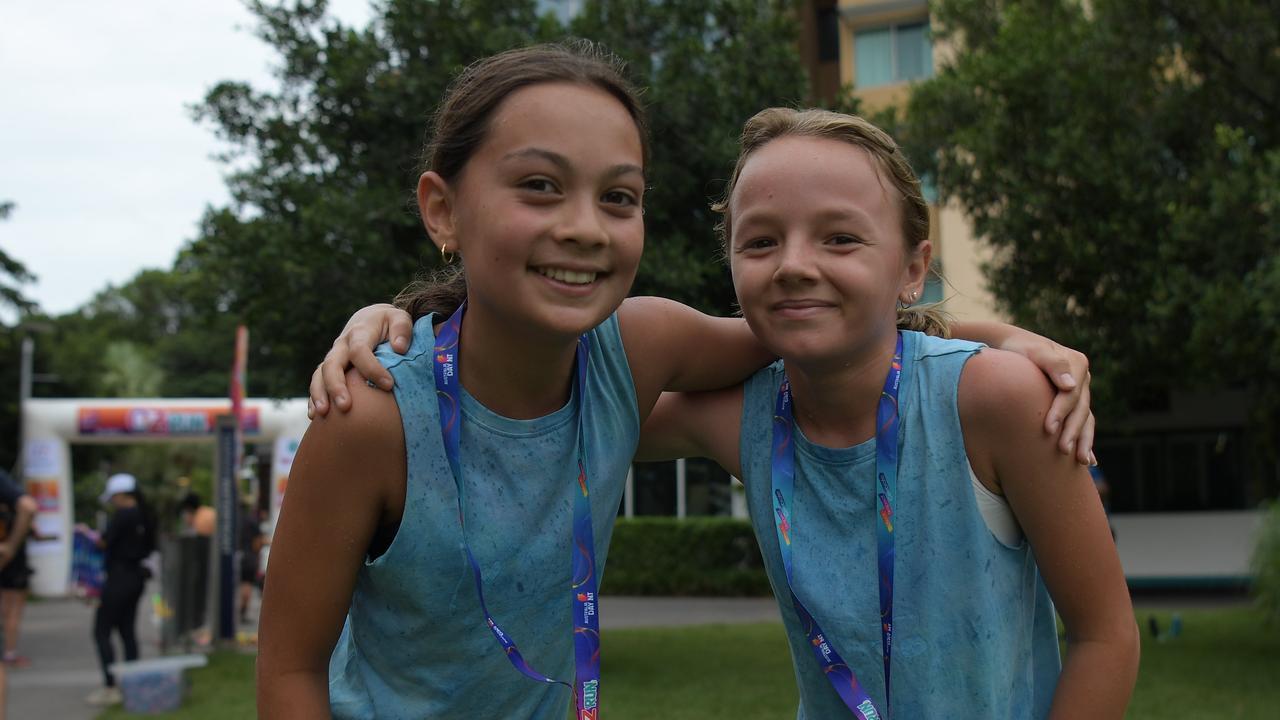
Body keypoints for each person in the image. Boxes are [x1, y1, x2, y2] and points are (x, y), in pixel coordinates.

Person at [268, 42, 1095, 720]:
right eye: (539, 186)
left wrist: (1001, 337)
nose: (582, 227)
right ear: (442, 210)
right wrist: (387, 313)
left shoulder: (638, 351)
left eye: (618, 196)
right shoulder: (368, 416)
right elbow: (289, 672)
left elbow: (824, 327)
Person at [632, 108, 1138, 716]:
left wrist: (978, 337)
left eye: (840, 237)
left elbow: (1106, 636)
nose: (792, 264)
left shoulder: (998, 399)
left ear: (913, 269)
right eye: (761, 241)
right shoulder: (744, 418)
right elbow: (580, 412)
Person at [86, 473, 156, 707]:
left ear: (121, 494)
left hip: (119, 578)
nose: (113, 502)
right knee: (127, 630)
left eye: (114, 497)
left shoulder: (123, 516)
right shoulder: (145, 515)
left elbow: (105, 542)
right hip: (136, 578)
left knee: (101, 630)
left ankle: (110, 684)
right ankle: (132, 682)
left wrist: (90, 537)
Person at [0, 470, 36, 720]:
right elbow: (28, 506)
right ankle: (10, 652)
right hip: (11, 562)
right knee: (13, 609)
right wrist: (12, 546)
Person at [237, 499, 266, 626]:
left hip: (242, 555)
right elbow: (257, 543)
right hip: (250, 557)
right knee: (247, 585)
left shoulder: (242, 521)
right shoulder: (254, 523)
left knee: (244, 584)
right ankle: (243, 612)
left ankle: (241, 612)